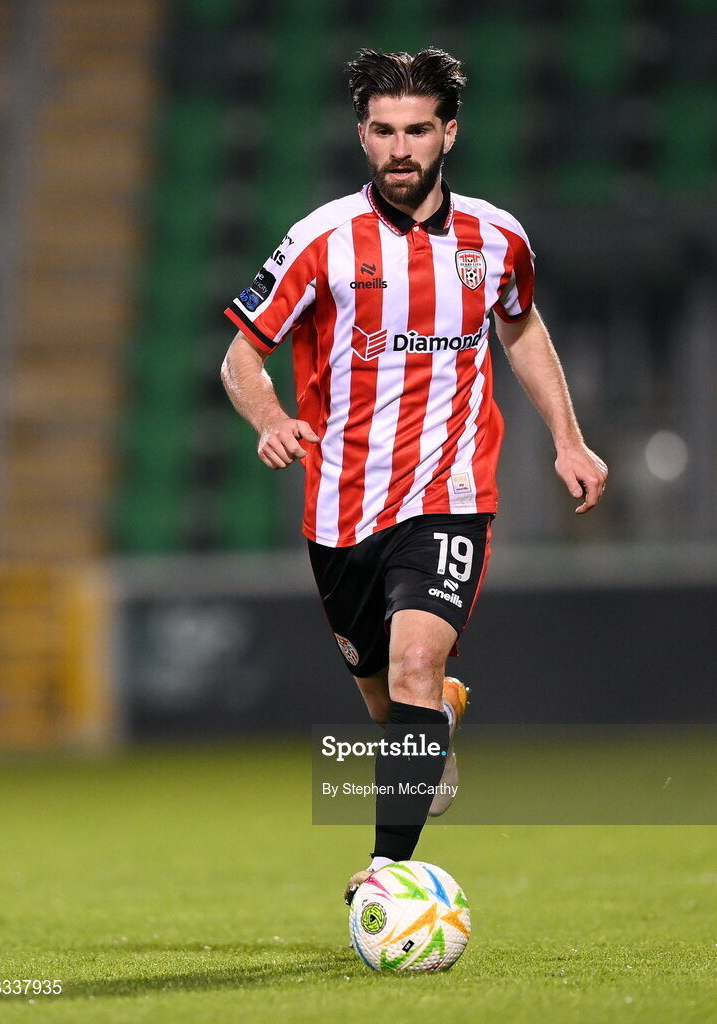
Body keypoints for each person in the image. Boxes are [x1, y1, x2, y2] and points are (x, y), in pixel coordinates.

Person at [221, 48, 608, 904]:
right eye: (385, 131)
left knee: (410, 671)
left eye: (418, 131)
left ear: (449, 134)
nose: (401, 149)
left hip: (449, 494)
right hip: (340, 507)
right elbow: (241, 358)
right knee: (385, 705)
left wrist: (568, 440)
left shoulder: (495, 237)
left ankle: (388, 873)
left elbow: (520, 330)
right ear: (362, 136)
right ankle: (433, 723)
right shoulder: (319, 238)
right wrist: (270, 418)